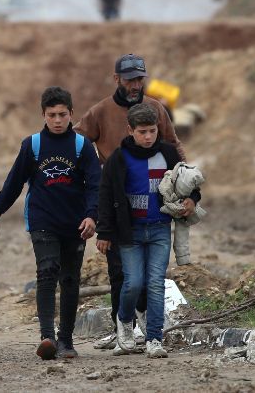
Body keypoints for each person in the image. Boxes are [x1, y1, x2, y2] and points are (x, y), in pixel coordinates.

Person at [75, 54, 184, 352]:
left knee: (149, 277)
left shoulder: (156, 109)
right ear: (117, 79)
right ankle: (120, 328)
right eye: (130, 79)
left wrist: (187, 183)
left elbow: (174, 147)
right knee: (120, 273)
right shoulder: (101, 111)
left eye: (140, 79)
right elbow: (78, 144)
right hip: (117, 204)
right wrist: (91, 177)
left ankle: (147, 332)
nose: (136, 85)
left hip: (153, 205)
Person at [0, 87, 101, 361]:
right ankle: (47, 337)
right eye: (52, 115)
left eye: (63, 114)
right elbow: (13, 183)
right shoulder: (33, 145)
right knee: (47, 272)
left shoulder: (82, 146)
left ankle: (66, 341)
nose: (58, 120)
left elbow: (96, 185)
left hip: (76, 223)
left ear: (72, 114)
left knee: (71, 279)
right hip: (43, 220)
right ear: (43, 115)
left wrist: (92, 216)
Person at [96, 103, 198, 359]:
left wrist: (193, 199)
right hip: (129, 233)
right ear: (130, 130)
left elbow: (189, 181)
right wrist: (105, 233)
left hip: (160, 229)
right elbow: (106, 197)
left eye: (152, 131)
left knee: (155, 285)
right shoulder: (118, 159)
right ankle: (124, 323)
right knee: (132, 283)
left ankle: (154, 338)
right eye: (142, 131)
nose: (148, 136)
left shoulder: (168, 154)